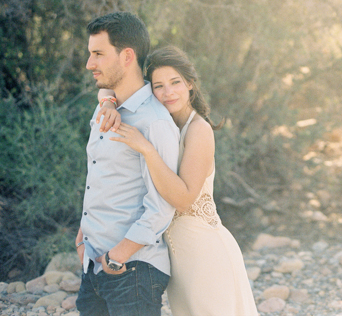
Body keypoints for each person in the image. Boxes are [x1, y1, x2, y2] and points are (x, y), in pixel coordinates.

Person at [99, 46, 259, 316]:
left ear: (189, 84)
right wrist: (108, 103)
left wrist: (147, 150)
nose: (168, 92)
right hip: (177, 258)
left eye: (175, 83)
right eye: (159, 86)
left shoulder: (199, 130)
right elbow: (107, 86)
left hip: (205, 252)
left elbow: (184, 198)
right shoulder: (164, 124)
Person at [76, 12, 180, 316]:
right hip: (94, 264)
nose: (89, 63)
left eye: (98, 54)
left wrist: (118, 257)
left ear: (127, 56)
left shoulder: (155, 122)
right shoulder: (105, 109)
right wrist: (83, 237)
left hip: (131, 271)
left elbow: (162, 205)